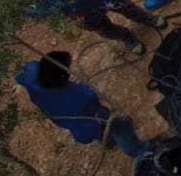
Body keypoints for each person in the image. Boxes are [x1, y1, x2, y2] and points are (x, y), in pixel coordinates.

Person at [14, 52, 150, 160]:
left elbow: (20, 75)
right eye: (68, 67)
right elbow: (90, 101)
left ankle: (108, 141)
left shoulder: (33, 72)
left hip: (64, 118)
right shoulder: (74, 95)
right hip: (91, 119)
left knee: (102, 132)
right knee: (119, 126)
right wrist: (84, 86)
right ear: (61, 76)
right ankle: (139, 151)